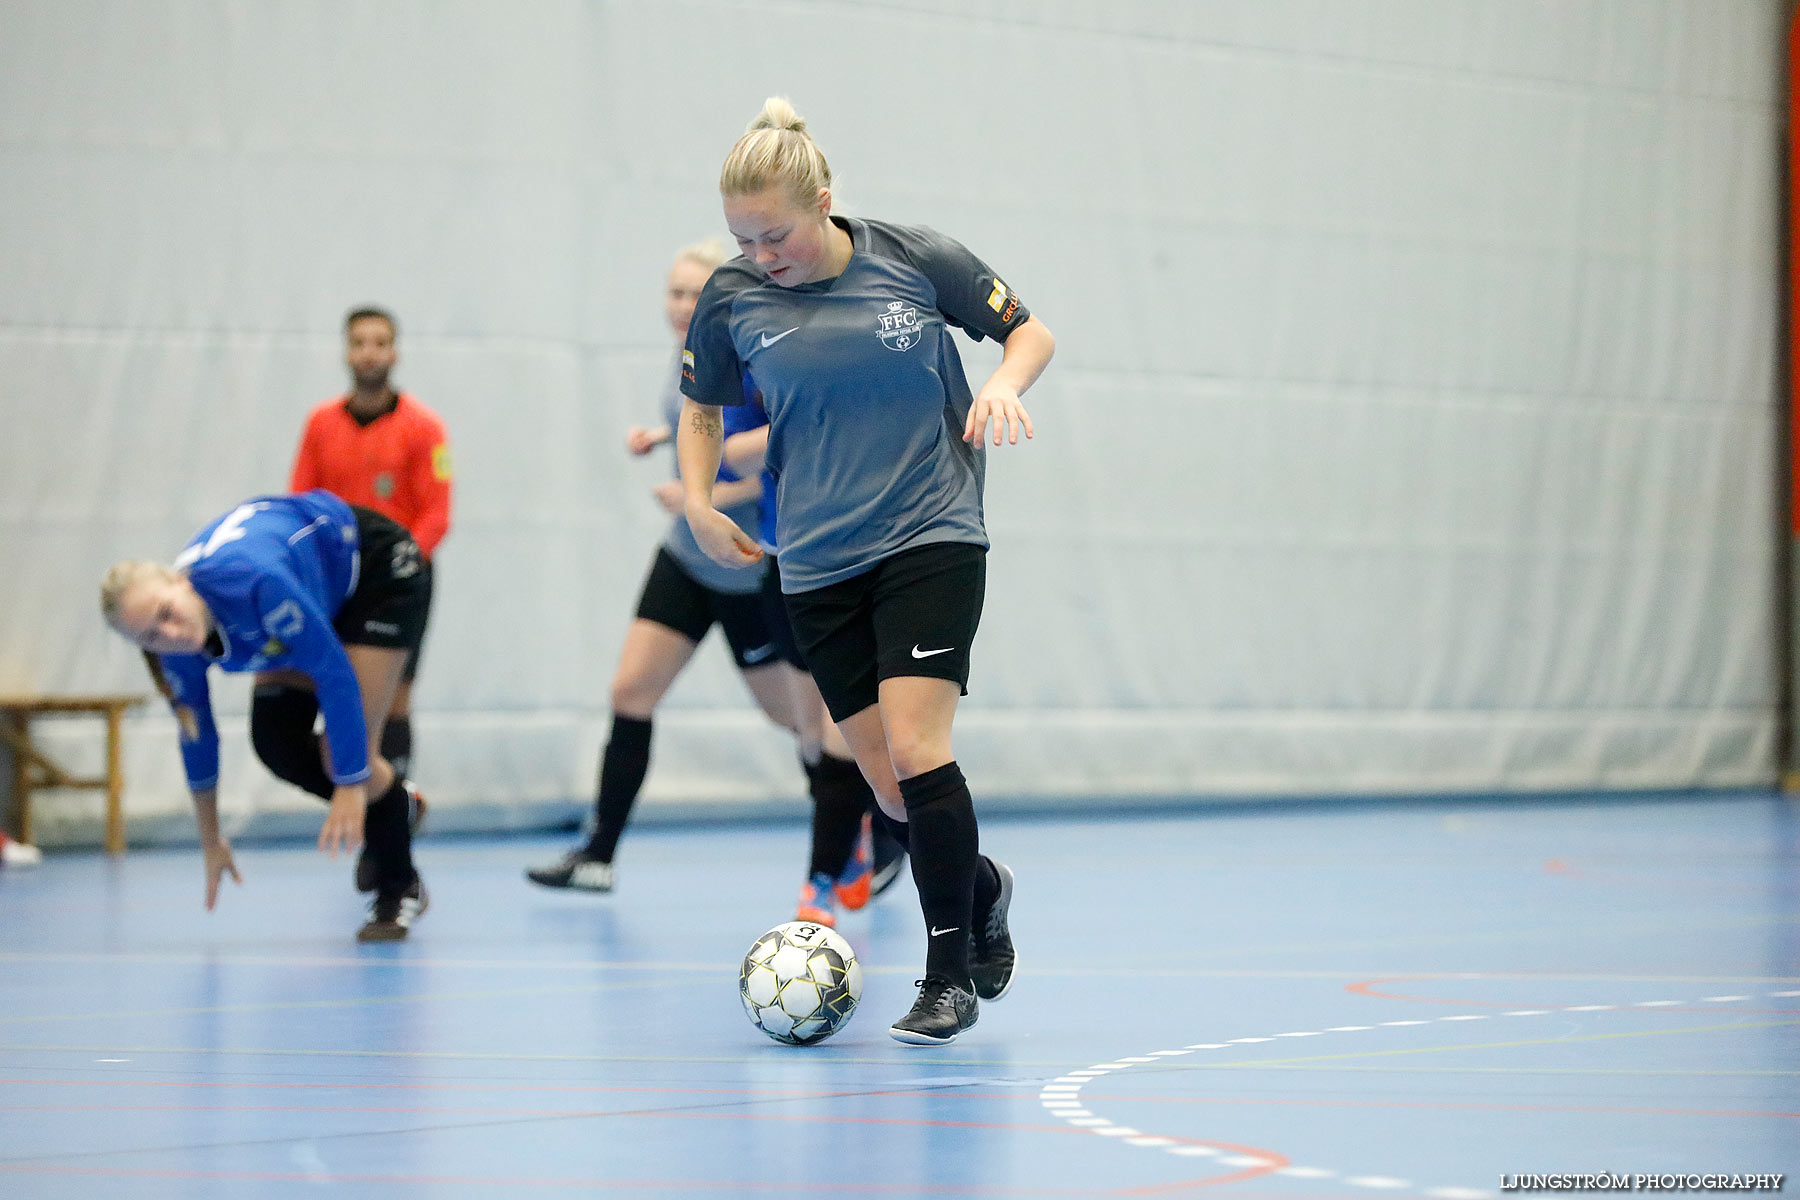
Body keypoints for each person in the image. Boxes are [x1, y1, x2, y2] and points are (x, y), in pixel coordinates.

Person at [679, 98, 1056, 1044]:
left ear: (825, 203)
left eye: (777, 234)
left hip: (931, 533)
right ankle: (982, 885)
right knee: (888, 789)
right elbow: (702, 410)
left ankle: (948, 975)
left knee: (921, 750)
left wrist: (1003, 384)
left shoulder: (915, 259)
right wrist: (697, 500)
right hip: (815, 559)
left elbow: (1029, 332)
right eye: (744, 238)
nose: (762, 255)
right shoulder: (735, 297)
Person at [525, 241, 883, 924]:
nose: (683, 306)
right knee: (631, 689)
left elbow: (782, 436)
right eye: (674, 293)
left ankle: (859, 827)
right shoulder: (685, 358)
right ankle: (598, 853)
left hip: (748, 557)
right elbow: (692, 423)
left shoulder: (754, 352)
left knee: (801, 722)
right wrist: (664, 445)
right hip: (687, 554)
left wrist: (717, 484)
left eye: (695, 293)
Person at [100, 490, 431, 941]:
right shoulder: (172, 649)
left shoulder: (255, 583)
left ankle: (399, 884)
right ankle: (398, 805)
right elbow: (197, 736)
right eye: (152, 636)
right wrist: (211, 838)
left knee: (346, 757)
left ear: (181, 582)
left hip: (376, 570)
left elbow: (332, 671)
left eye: (167, 614)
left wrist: (352, 786)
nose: (171, 634)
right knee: (276, 740)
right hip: (311, 588)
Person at [287, 308, 451, 889]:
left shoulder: (424, 428)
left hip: (399, 586)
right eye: (359, 342)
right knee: (341, 707)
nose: (370, 353)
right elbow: (298, 502)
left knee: (392, 705)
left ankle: (387, 840)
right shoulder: (320, 424)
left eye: (381, 342)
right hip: (334, 587)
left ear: (395, 352)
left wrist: (399, 566)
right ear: (346, 351)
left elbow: (437, 511)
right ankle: (390, 806)